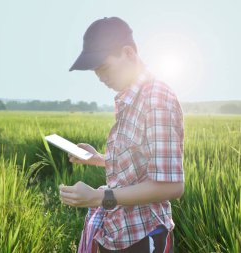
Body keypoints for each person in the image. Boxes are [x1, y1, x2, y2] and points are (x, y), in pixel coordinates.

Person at [59, 17, 184, 253]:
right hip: (116, 233)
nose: (99, 76)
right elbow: (139, 162)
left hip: (144, 238)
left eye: (103, 67)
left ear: (128, 53)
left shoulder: (156, 99)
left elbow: (171, 185)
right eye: (95, 70)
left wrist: (99, 197)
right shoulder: (130, 98)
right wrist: (97, 158)